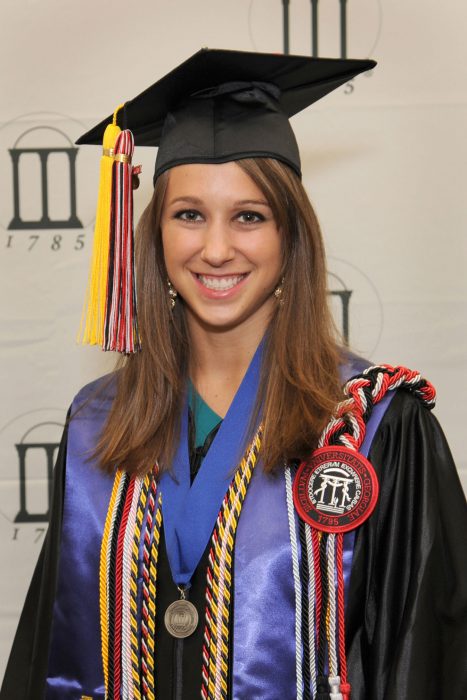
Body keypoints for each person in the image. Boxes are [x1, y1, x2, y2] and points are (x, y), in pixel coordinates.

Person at [1, 48, 466, 700]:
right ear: (153, 235)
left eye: (249, 216)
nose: (216, 248)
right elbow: (47, 653)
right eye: (188, 214)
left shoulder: (374, 426)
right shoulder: (94, 426)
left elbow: (424, 662)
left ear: (290, 237)